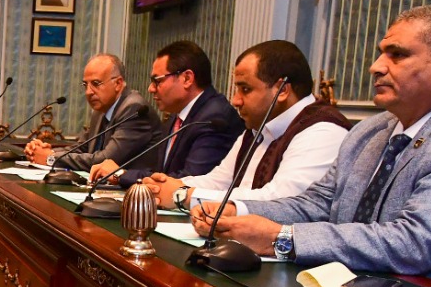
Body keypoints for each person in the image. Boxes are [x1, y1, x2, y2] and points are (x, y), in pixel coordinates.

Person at [192, 4, 431, 287]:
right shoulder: (371, 130)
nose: (376, 66)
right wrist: (236, 212)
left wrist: (282, 238)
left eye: (397, 54)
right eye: (381, 53)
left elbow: (413, 244)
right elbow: (318, 203)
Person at [144, 40, 349, 210]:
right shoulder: (257, 127)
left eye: (245, 89)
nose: (235, 100)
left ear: (282, 90)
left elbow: (280, 200)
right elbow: (220, 180)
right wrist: (168, 186)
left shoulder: (322, 131)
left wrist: (183, 195)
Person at [93, 40, 242, 187]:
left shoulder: (214, 118)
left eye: (157, 81)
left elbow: (188, 180)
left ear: (187, 79)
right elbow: (161, 173)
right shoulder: (175, 117)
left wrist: (122, 175)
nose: (150, 89)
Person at [23, 53, 162, 173]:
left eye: (96, 84)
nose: (88, 92)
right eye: (85, 85)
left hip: (134, 190)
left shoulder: (134, 109)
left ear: (118, 83)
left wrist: (51, 158)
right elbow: (81, 148)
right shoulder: (101, 110)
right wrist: (44, 152)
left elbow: (105, 160)